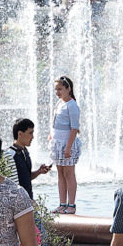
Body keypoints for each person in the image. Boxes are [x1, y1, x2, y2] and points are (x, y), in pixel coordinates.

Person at [49, 76, 82, 214]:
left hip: (67, 143)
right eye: (56, 89)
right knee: (60, 173)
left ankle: (71, 204)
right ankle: (62, 203)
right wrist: (51, 135)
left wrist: (68, 147)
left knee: (69, 173)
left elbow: (74, 128)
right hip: (57, 143)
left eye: (60, 89)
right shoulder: (60, 103)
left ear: (68, 89)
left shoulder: (72, 105)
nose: (58, 92)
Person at [10, 118, 51, 200]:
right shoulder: (10, 155)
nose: (33, 137)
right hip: (17, 203)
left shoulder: (25, 152)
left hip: (27, 202)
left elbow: (25, 178)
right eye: (30, 133)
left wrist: (39, 171)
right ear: (20, 134)